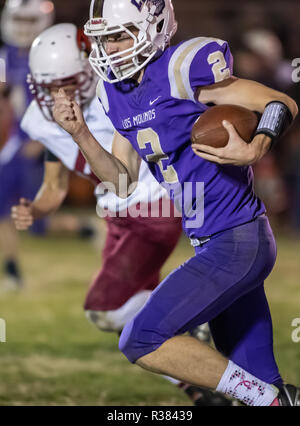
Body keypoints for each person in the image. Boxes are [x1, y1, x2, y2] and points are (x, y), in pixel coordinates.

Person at [52, 0, 299, 406]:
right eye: (103, 39)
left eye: (118, 36)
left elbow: (280, 102)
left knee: (141, 338)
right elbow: (121, 178)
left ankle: (266, 399)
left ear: (154, 27)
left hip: (237, 241)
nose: (110, 49)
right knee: (261, 382)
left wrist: (256, 147)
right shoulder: (114, 91)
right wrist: (80, 133)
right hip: (214, 242)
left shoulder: (181, 67)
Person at [11, 23, 232, 406]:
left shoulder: (116, 93)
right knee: (132, 319)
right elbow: (55, 184)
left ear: (88, 69)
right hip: (117, 216)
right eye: (48, 85)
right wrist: (37, 207)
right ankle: (200, 388)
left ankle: (191, 327)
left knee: (105, 309)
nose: (57, 94)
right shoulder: (37, 119)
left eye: (67, 82)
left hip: (151, 209)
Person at [0, 0, 55, 289]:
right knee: (2, 211)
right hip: (9, 148)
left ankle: (87, 229)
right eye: (18, 21)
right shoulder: (4, 57)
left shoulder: (50, 58)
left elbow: (64, 104)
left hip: (36, 145)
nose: (22, 28)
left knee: (37, 224)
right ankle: (12, 270)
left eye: (28, 21)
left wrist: (43, 137)